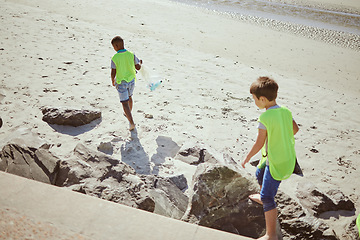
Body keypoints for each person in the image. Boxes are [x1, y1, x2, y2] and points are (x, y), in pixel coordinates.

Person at [241, 76, 299, 240]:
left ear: (263, 99)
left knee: (268, 197)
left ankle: (271, 235)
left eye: (254, 99)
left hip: (277, 162)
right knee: (259, 173)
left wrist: (247, 158)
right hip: (286, 157)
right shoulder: (285, 111)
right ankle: (263, 194)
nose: (254, 103)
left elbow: (259, 143)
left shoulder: (265, 118)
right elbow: (295, 129)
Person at [111, 36, 142, 131]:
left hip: (121, 82)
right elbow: (138, 67)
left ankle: (131, 122)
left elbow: (113, 71)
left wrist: (112, 80)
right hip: (131, 81)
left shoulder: (114, 57)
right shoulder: (131, 54)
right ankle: (129, 113)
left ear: (116, 46)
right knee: (129, 97)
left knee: (124, 103)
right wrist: (140, 62)